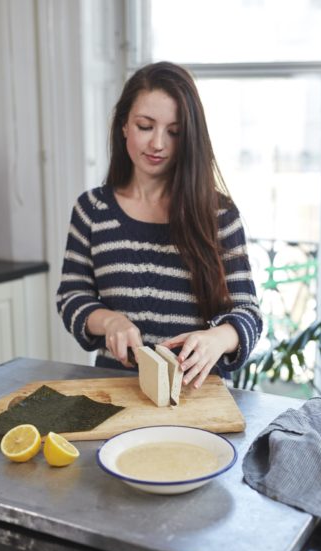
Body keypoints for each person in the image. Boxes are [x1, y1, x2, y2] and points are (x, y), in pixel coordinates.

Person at [56, 61, 262, 389]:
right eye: (145, 126)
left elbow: (248, 313)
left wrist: (218, 338)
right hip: (116, 392)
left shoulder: (219, 215)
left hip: (196, 395)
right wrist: (109, 321)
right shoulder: (91, 210)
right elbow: (72, 297)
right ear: (124, 125)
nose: (158, 144)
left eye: (174, 132)